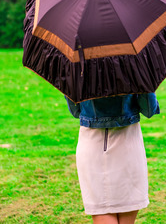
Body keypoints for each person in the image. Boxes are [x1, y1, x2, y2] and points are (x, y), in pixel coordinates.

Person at [66, 93, 160, 224]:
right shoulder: (135, 72)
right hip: (128, 141)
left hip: (93, 143)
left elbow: (75, 111)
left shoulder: (78, 72)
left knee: (102, 210)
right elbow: (149, 110)